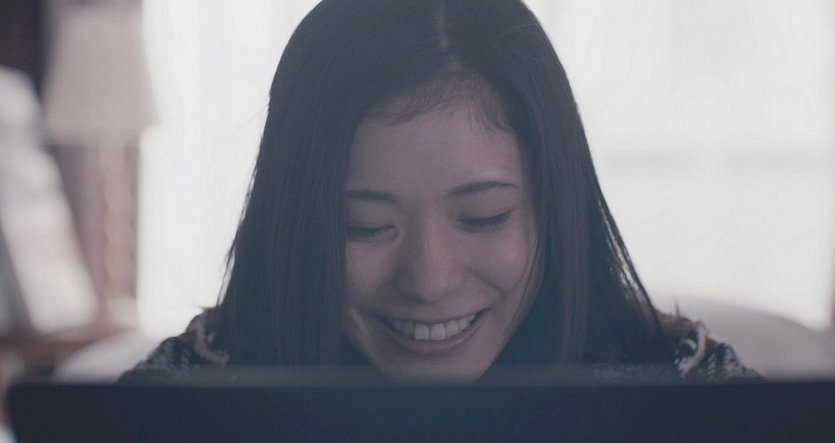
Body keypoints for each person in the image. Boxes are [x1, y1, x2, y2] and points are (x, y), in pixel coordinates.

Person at [126, 0, 758, 383]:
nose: (429, 280)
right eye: (365, 227)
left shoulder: (694, 401)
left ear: (557, 206)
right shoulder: (172, 413)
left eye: (484, 216)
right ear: (293, 221)